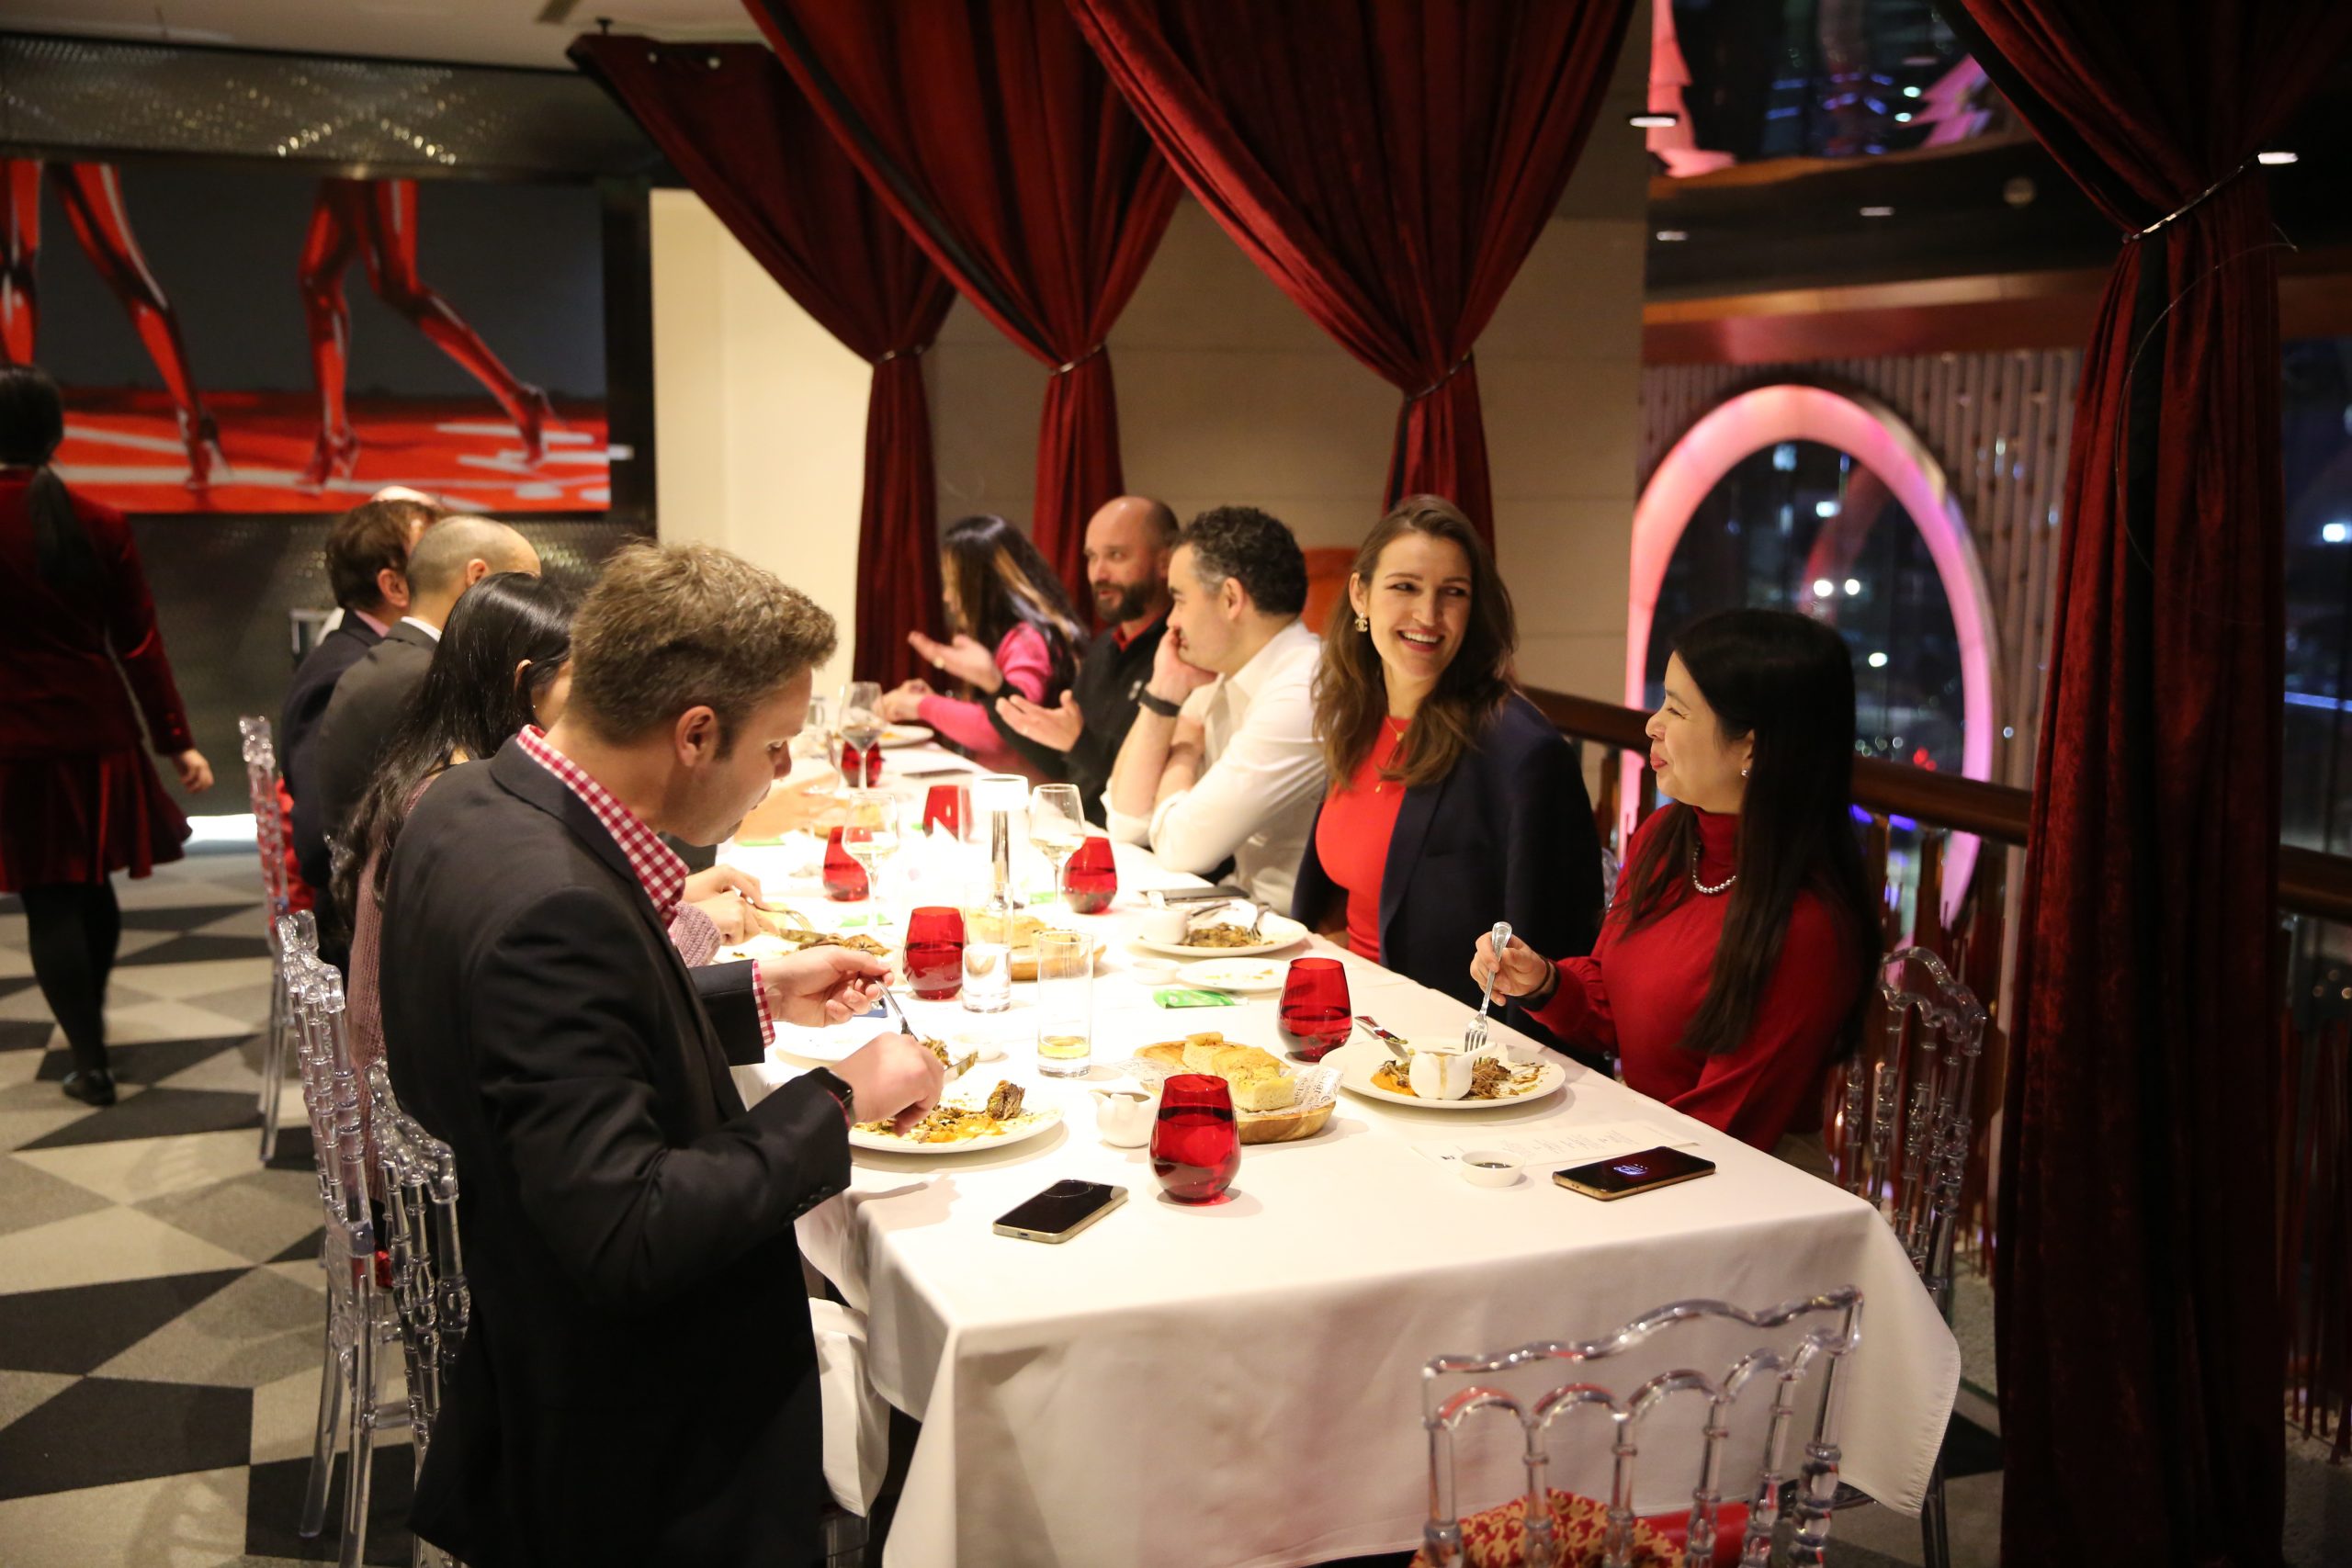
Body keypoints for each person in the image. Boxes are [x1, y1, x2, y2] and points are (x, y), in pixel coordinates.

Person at [379, 541, 944, 1568]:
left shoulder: (468, 800)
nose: (781, 774)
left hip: (525, 1334)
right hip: (639, 1442)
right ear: (695, 733)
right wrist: (837, 1097)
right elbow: (629, 1232)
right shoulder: (557, 907)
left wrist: (758, 995)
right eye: (775, 747)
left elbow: (546, 1046)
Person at [1472, 608, 1878, 1167]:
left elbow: (1722, 1132)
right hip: (1648, 1139)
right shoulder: (1668, 838)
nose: (1652, 725)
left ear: (1752, 748)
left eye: (1677, 710)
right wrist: (1543, 982)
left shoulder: (1809, 924)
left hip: (1744, 1182)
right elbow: (1612, 1010)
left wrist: (1585, 1161)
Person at [336, 572, 772, 1078]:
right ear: (524, 685)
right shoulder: (472, 811)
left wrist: (681, 894)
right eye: (585, 681)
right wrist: (701, 923)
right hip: (418, 1109)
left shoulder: (442, 774)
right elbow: (584, 984)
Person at [1292, 497, 1603, 1047]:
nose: (1428, 615)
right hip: (1355, 1026)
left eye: (1452, 593)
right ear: (1361, 594)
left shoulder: (1521, 753)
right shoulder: (1357, 714)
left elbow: (1555, 963)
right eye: (1405, 587)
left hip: (1445, 1054)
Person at [0, 365, 211, 1107]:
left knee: (50, 897)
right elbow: (140, 645)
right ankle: (92, 1039)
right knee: (90, 885)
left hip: (11, 742)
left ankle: (89, 1061)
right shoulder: (99, 520)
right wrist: (176, 739)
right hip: (98, 731)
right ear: (55, 433)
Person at [308, 514, 539, 914]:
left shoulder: (396, 660)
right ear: (477, 578)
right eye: (524, 586)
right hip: (389, 914)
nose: (533, 608)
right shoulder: (427, 676)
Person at [1102, 505, 1324, 909]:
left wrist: (1184, 753)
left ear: (1231, 599)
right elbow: (1125, 820)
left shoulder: (1304, 689)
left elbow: (1180, 847)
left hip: (1297, 929)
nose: (1171, 621)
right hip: (1249, 910)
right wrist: (1164, 693)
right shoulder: (1226, 672)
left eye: (1179, 600)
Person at [960, 494, 1175, 824]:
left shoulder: (1179, 656)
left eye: (1116, 555)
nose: (1099, 573)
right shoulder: (1104, 647)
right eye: (1092, 557)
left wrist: (1079, 742)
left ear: (1165, 562)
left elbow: (1154, 786)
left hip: (1136, 845)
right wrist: (996, 689)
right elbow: (1065, 763)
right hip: (1077, 832)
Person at [281, 493, 444, 903]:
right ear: (394, 585)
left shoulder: (372, 656)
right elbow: (321, 840)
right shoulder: (349, 670)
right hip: (361, 915)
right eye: (433, 556)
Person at [879, 513, 1084, 773]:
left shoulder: (1027, 642)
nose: (947, 597)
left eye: (954, 583)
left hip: (1029, 791)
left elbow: (998, 730)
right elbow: (992, 713)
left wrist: (920, 706)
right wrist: (934, 700)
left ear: (981, 585)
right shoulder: (1012, 635)